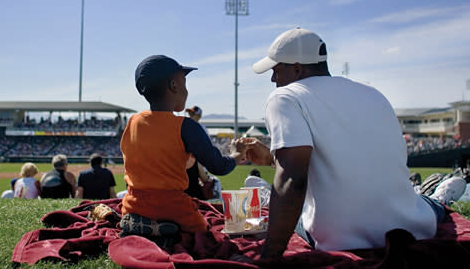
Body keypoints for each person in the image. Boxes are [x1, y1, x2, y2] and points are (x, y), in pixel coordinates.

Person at [241, 27, 441, 258]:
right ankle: (433, 199)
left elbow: (293, 180)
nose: (273, 78)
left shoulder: (285, 97)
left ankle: (267, 196)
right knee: (429, 204)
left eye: (277, 70)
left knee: (292, 207)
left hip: (338, 237)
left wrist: (268, 256)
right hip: (411, 223)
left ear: (296, 68)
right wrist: (270, 158)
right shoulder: (373, 93)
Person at [119, 55, 246, 237]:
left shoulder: (132, 122)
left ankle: (147, 226)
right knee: (203, 232)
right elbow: (219, 166)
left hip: (133, 204)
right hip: (172, 206)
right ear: (174, 86)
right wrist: (237, 154)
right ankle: (168, 231)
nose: (186, 90)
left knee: (146, 214)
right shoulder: (186, 126)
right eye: (184, 83)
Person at [184, 105, 211, 199]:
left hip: (196, 163)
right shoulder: (186, 126)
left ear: (199, 116)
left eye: (192, 114)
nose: (190, 116)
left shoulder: (201, 129)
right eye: (189, 113)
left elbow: (205, 149)